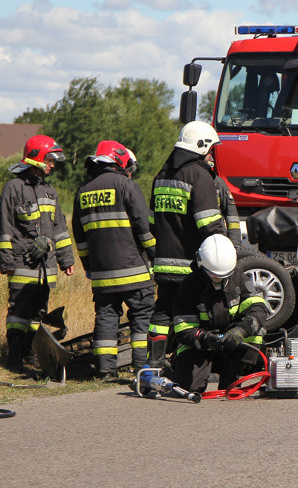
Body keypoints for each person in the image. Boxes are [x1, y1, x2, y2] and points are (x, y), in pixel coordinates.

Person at [72, 141, 155, 379]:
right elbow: (143, 225)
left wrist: (90, 267)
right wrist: (153, 255)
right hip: (134, 271)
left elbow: (80, 237)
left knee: (106, 317)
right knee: (142, 316)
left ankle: (106, 370)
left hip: (101, 273)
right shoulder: (126, 185)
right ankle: (142, 368)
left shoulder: (82, 191)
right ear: (118, 160)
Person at [147, 121, 227, 369]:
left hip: (163, 263)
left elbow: (152, 222)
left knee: (162, 313)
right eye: (211, 149)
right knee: (192, 315)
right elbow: (210, 225)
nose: (212, 155)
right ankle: (188, 366)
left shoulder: (161, 175)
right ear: (201, 146)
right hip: (191, 265)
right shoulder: (199, 175)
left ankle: (153, 365)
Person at [0, 135, 74, 372]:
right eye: (50, 160)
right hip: (21, 265)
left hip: (45, 270)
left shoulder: (50, 191)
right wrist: (7, 261)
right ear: (37, 158)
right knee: (19, 314)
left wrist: (66, 260)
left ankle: (31, 357)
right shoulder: (14, 188)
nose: (53, 165)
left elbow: (60, 229)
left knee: (38, 315)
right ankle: (15, 360)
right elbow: (3, 228)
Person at [170, 234, 275, 393]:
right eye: (214, 275)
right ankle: (179, 369)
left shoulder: (239, 277)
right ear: (201, 265)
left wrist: (241, 330)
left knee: (258, 330)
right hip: (201, 345)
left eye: (223, 276)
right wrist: (204, 338)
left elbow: (258, 309)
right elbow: (183, 329)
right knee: (188, 388)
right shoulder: (188, 286)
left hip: (233, 342)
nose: (218, 280)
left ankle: (234, 375)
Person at [205, 151, 242, 247]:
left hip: (219, 242)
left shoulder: (218, 183)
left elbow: (232, 217)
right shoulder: (192, 181)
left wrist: (235, 244)